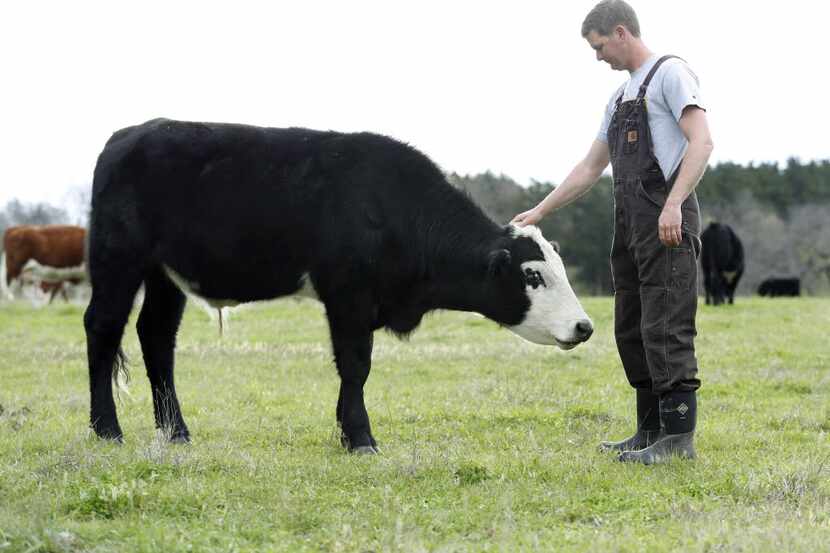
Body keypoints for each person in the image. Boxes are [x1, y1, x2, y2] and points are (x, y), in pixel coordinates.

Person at [512, 0, 713, 464]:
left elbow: (702, 141)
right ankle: (650, 430)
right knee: (632, 325)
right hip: (630, 225)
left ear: (621, 32)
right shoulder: (621, 97)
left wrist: (675, 203)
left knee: (666, 323)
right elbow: (589, 168)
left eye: (600, 47)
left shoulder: (670, 74)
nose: (599, 57)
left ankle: (678, 439)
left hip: (667, 219)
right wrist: (539, 211)